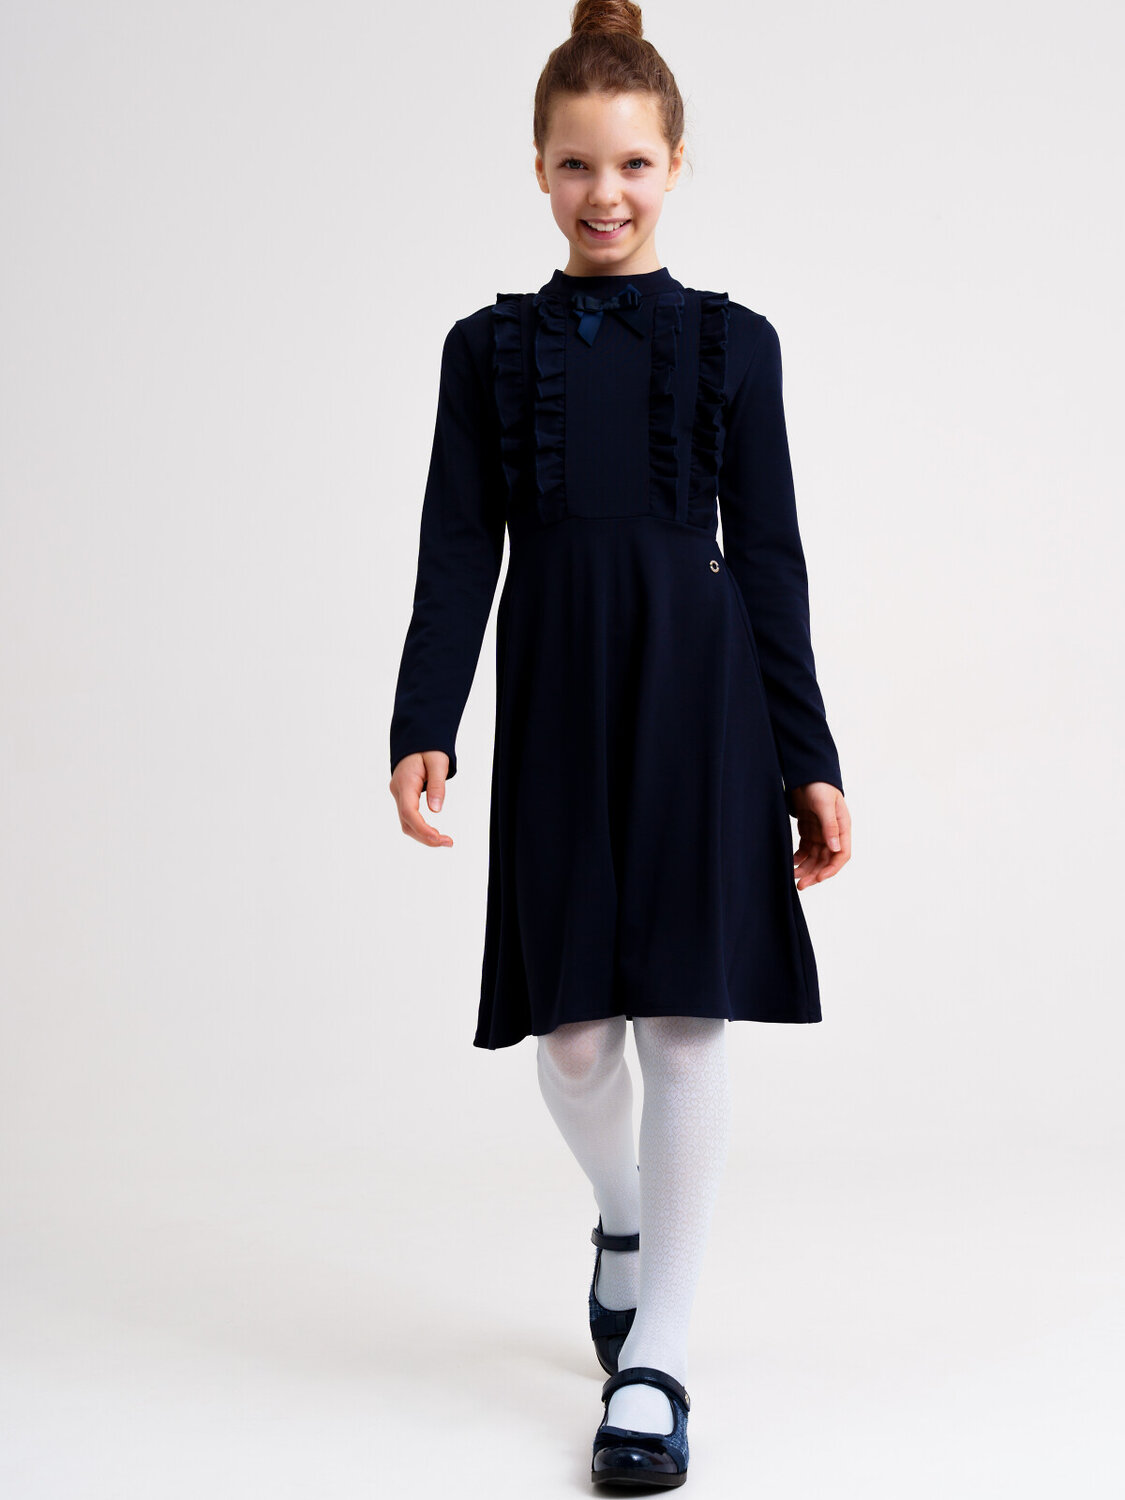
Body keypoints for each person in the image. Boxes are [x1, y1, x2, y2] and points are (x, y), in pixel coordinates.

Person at [388, 0, 852, 1484]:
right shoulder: (485, 351)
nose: (607, 193)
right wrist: (424, 718)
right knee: (578, 1035)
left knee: (686, 1019)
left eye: (634, 163)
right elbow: (455, 547)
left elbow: (770, 555)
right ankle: (627, 1218)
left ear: (675, 166)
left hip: (701, 703)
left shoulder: (734, 345)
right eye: (578, 164)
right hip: (557, 697)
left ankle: (657, 1361)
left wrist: (808, 755)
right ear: (538, 168)